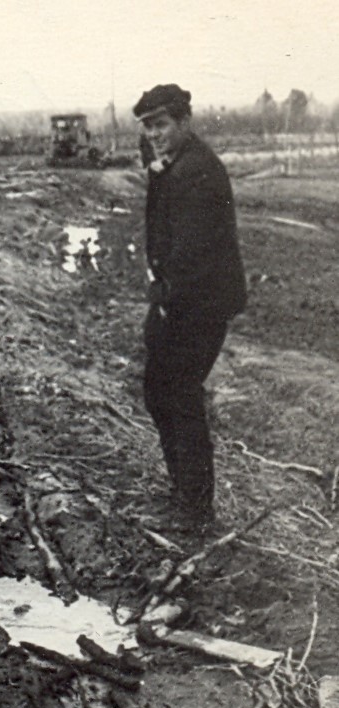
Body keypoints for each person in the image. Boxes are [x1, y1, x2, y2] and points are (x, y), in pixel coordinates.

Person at [134, 83, 247, 533]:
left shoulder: (196, 173)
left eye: (161, 125)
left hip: (197, 303)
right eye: (147, 128)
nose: (154, 135)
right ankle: (184, 495)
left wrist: (163, 303)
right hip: (181, 299)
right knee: (161, 392)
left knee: (177, 395)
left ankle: (194, 509)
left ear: (185, 123)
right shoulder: (177, 164)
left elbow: (192, 256)